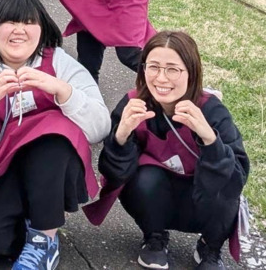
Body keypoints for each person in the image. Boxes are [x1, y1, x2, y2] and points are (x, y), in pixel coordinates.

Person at [0, 0, 110, 270]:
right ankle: (24, 223)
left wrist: (62, 91)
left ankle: (45, 237)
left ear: (42, 29)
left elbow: (100, 127)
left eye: (29, 22)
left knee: (54, 132)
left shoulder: (60, 64)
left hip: (47, 172)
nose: (19, 31)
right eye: (10, 22)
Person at [84, 31, 248, 270]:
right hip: (158, 196)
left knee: (224, 178)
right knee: (140, 177)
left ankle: (210, 247)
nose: (161, 78)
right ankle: (154, 237)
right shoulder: (133, 104)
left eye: (173, 69)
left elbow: (237, 177)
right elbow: (113, 174)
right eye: (153, 67)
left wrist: (209, 138)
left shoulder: (211, 110)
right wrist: (120, 136)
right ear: (143, 69)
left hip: (204, 202)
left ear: (191, 72)